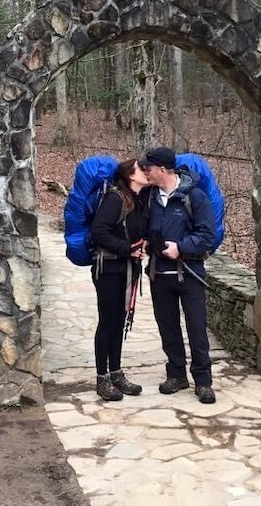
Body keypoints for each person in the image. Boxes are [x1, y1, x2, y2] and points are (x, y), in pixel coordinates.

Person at [140, 146, 217, 404]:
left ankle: (203, 382)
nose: (145, 172)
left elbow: (207, 234)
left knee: (197, 327)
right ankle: (176, 375)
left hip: (190, 273)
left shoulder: (194, 197)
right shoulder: (149, 197)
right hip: (159, 274)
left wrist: (181, 247)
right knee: (168, 327)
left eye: (148, 168)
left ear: (162, 169)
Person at [89, 158, 150, 401]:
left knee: (119, 320)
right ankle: (102, 378)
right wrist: (128, 249)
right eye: (140, 169)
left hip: (126, 269)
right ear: (130, 176)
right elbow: (98, 232)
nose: (145, 172)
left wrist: (141, 247)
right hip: (108, 269)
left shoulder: (135, 200)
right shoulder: (115, 199)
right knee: (108, 322)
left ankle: (116, 372)